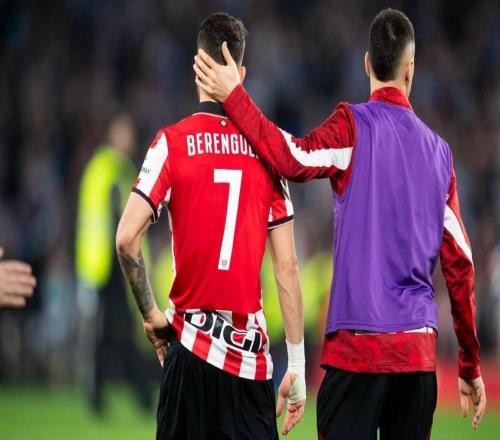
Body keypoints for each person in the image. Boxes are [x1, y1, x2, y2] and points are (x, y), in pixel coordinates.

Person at [194, 8, 486, 440]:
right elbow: (461, 264)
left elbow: (289, 157)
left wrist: (235, 96)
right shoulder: (439, 153)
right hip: (416, 357)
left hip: (357, 350)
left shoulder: (352, 127)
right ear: (410, 69)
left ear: (367, 63)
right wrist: (469, 363)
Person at [116, 12, 305, 440]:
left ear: (196, 69)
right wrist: (296, 364)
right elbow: (287, 268)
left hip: (189, 351)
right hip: (249, 364)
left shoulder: (171, 142)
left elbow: (126, 238)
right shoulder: (269, 154)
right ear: (241, 74)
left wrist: (151, 316)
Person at [75, 113, 154, 414]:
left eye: (128, 133)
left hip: (112, 267)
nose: (127, 139)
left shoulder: (116, 170)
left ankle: (120, 396)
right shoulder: (108, 169)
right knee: (108, 334)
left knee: (117, 333)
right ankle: (116, 396)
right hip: (101, 267)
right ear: (112, 134)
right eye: (122, 132)